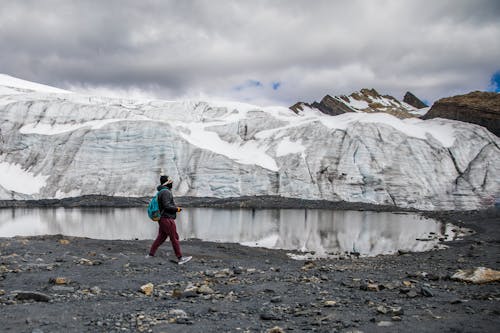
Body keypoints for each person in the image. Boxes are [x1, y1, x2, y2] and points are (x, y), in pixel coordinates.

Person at [147, 175, 192, 265]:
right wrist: (176, 209)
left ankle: (150, 255)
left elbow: (164, 205)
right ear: (167, 183)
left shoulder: (161, 192)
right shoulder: (166, 192)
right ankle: (180, 258)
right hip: (167, 219)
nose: (172, 183)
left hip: (162, 218)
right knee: (174, 237)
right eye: (170, 182)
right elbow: (167, 206)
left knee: (161, 237)